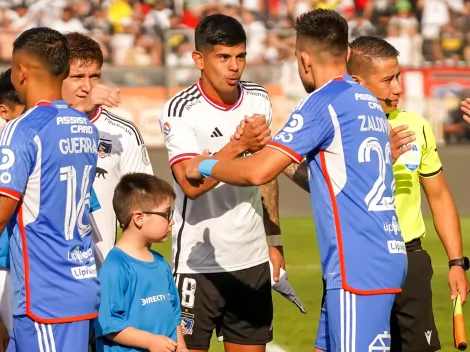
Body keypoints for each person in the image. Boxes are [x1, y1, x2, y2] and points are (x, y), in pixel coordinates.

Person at [185, 10, 407, 351]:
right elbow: (328, 176)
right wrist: (277, 154)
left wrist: (204, 164)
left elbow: (258, 172)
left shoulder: (322, 102)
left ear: (303, 59)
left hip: (357, 267)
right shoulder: (367, 101)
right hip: (377, 256)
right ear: (346, 55)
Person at [160, 13, 284, 352]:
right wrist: (238, 146)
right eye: (223, 57)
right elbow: (190, 185)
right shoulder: (180, 109)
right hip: (196, 265)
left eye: (240, 56)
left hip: (252, 260)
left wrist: (274, 239)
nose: (234, 66)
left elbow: (266, 175)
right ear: (199, 59)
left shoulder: (258, 98)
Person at [346, 36, 469, 352]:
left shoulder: (415, 125)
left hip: (411, 260)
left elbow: (439, 196)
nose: (398, 87)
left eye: (398, 76)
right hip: (361, 263)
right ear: (358, 82)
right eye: (388, 80)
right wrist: (379, 160)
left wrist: (457, 262)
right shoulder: (340, 127)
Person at [0, 27, 99, 352]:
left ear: (22, 71)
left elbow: (2, 211)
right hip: (77, 281)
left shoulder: (23, 128)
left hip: (45, 295)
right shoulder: (85, 126)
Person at [61, 32, 154, 267]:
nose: (87, 86)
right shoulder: (38, 125)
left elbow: (142, 207)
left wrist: (126, 265)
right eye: (77, 77)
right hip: (47, 270)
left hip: (101, 270)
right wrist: (79, 112)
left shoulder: (123, 132)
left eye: (94, 76)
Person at [95, 173, 187, 352]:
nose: (172, 220)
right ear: (139, 218)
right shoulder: (115, 267)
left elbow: (174, 313)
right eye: (167, 213)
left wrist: (181, 346)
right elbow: (108, 324)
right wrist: (150, 342)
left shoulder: (161, 263)